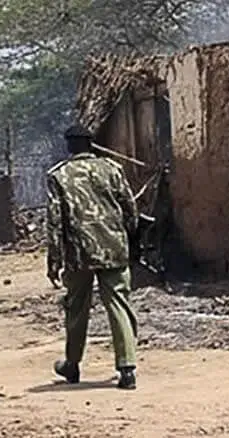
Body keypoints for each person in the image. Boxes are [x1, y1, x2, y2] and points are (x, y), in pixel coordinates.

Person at [46, 124, 139, 390]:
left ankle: (72, 364)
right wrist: (129, 240)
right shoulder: (112, 169)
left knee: (76, 308)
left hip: (78, 253)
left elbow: (54, 222)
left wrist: (54, 260)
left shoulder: (59, 175)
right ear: (91, 144)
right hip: (114, 248)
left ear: (69, 146)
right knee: (119, 305)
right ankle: (127, 368)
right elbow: (130, 209)